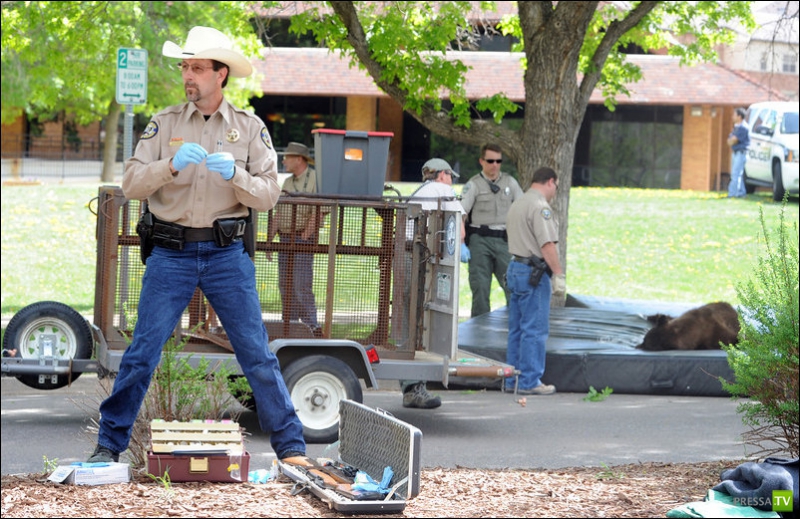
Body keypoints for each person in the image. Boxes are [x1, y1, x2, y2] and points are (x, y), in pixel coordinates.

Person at [87, 26, 306, 463]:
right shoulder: (164, 123)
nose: (188, 75)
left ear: (220, 74)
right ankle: (107, 447)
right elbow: (131, 183)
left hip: (226, 255)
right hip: (171, 253)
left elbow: (268, 194)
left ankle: (291, 450)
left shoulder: (249, 128)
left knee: (256, 354)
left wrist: (236, 176)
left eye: (198, 68)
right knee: (142, 354)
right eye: (185, 66)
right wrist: (169, 165)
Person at [399, 158, 466, 409]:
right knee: (421, 323)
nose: (451, 182)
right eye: (450, 176)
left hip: (404, 255)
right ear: (442, 175)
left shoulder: (418, 192)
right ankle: (415, 388)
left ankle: (410, 386)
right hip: (419, 258)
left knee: (408, 319)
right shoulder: (442, 190)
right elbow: (458, 232)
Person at [503, 167, 565, 396]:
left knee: (516, 329)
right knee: (535, 330)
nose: (555, 191)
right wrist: (558, 274)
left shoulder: (518, 203)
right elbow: (547, 245)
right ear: (550, 182)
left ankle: (512, 379)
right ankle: (529, 381)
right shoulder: (540, 207)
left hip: (515, 267)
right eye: (556, 186)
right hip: (533, 273)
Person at [267, 142, 325, 336]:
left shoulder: (315, 179)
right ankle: (289, 325)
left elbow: (319, 212)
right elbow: (279, 213)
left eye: (287, 157)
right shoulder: (287, 182)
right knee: (285, 284)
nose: (284, 161)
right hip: (284, 239)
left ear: (299, 159)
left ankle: (312, 327)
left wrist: (304, 236)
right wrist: (269, 241)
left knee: (301, 284)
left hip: (301, 239)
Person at [459, 144, 524, 318]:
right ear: (481, 161)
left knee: (513, 285)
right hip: (479, 241)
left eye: (498, 161)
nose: (494, 165)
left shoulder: (510, 182)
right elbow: (460, 214)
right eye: (490, 161)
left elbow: (523, 209)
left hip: (505, 241)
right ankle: (478, 329)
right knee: (480, 287)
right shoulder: (473, 184)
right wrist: (461, 242)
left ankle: (516, 325)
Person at [727, 107, 750, 198]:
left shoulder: (743, 127)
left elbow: (734, 140)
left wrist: (731, 140)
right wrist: (731, 140)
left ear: (739, 116)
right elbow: (729, 140)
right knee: (737, 174)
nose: (732, 116)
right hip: (736, 153)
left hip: (741, 153)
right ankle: (741, 193)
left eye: (734, 115)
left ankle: (732, 194)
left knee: (735, 174)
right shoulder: (737, 127)